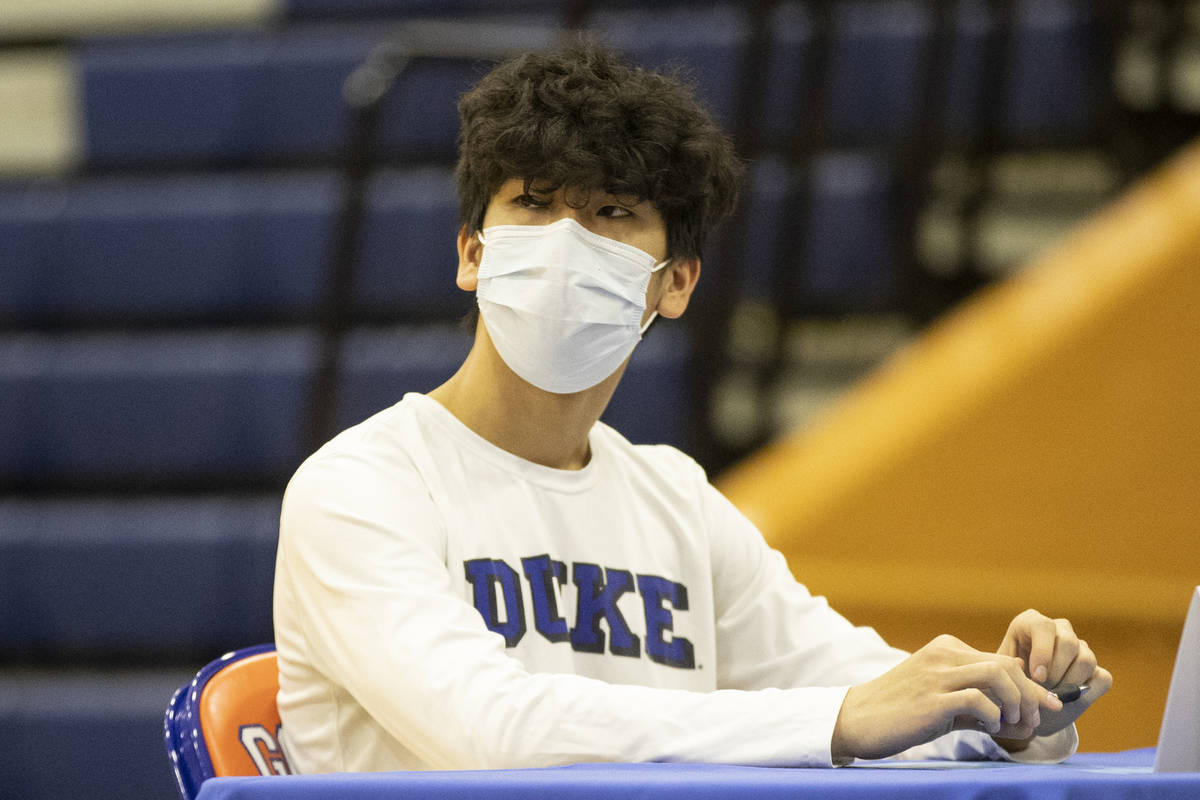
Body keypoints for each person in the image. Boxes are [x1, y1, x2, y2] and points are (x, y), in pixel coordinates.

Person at [273, 41, 1111, 773]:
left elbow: (871, 692)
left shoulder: (672, 499)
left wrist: (1011, 706)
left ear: (675, 283)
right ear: (471, 252)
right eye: (534, 202)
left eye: (611, 213)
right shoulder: (361, 487)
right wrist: (840, 719)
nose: (567, 240)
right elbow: (493, 733)